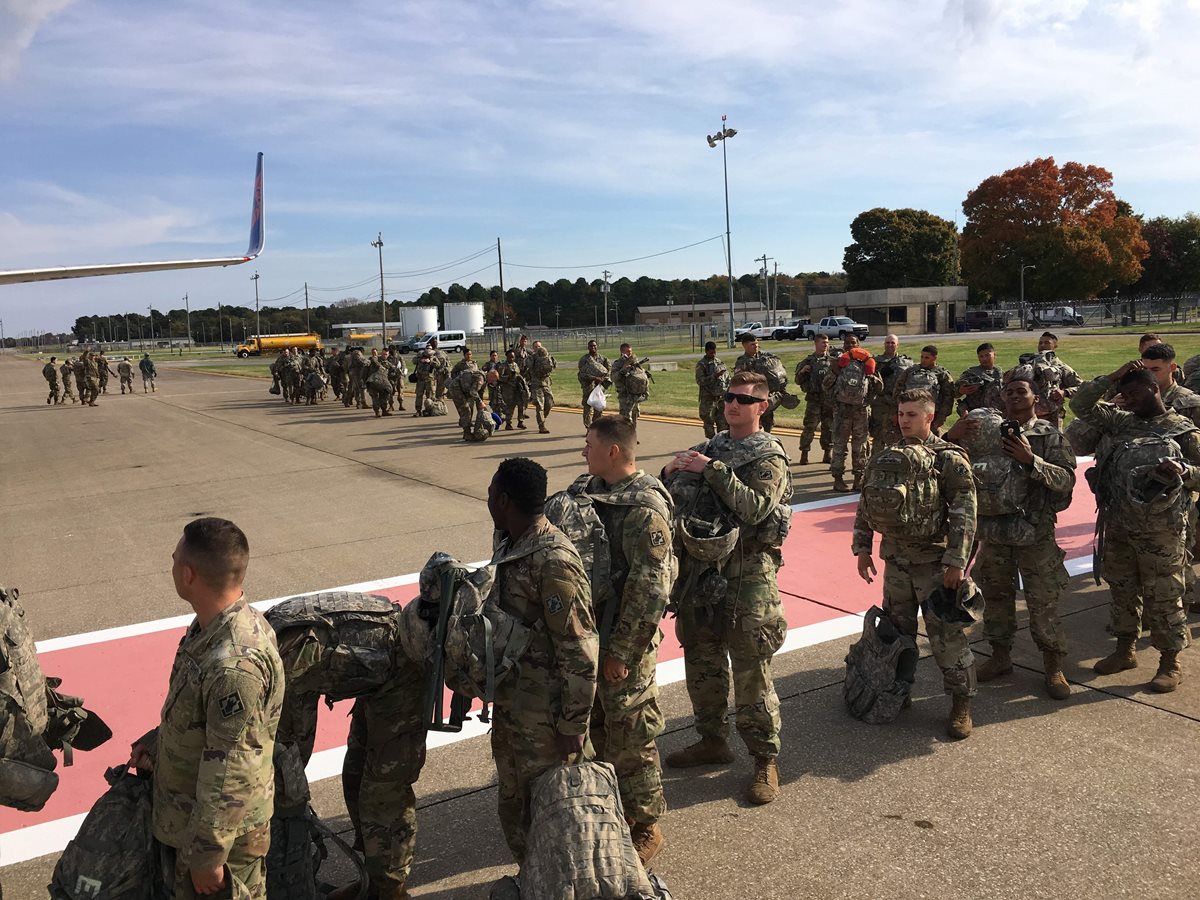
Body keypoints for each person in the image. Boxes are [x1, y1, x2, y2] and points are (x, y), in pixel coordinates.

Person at [128, 518, 284, 899]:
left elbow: (232, 766)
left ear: (188, 573)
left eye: (174, 560)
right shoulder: (210, 627)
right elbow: (201, 719)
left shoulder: (234, 663)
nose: (172, 568)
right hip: (191, 820)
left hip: (222, 839)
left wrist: (209, 857)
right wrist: (160, 745)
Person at [663, 372, 791, 805]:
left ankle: (764, 759)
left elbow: (755, 509)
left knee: (751, 670)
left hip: (748, 576)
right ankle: (711, 739)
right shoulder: (711, 444)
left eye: (742, 399)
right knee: (702, 661)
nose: (732, 405)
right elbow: (674, 483)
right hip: (702, 574)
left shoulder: (768, 456)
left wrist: (712, 471)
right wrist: (670, 469)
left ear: (763, 407)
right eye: (728, 397)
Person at [269, 594, 430, 900]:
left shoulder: (286, 664)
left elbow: (291, 757)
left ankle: (390, 891)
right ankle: (374, 881)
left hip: (402, 675)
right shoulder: (267, 635)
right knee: (354, 774)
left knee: (382, 794)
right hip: (375, 668)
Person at [572, 417, 674, 865]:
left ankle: (647, 824)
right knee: (595, 730)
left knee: (632, 736)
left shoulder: (644, 511)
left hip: (624, 645)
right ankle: (610, 809)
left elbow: (650, 590)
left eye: (589, 444)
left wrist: (621, 654)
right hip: (589, 637)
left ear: (614, 451)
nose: (583, 451)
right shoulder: (586, 491)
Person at [486, 458, 598, 865]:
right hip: (515, 705)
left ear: (503, 500)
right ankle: (533, 877)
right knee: (515, 806)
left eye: (490, 492)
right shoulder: (510, 541)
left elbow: (580, 648)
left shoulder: (553, 560)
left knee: (553, 815)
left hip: (547, 717)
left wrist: (574, 725)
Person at [852, 389, 979, 738]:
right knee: (895, 633)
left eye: (912, 414)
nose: (904, 420)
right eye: (901, 413)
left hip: (934, 564)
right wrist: (862, 547)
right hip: (896, 562)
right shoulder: (890, 456)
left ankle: (960, 703)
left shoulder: (948, 459)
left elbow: (965, 512)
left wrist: (956, 561)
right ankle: (898, 691)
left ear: (930, 416)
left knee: (945, 637)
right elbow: (867, 502)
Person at [947, 370, 1076, 700]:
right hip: (995, 536)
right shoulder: (985, 433)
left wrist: (1031, 460)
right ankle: (1000, 657)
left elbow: (1065, 481)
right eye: (1009, 392)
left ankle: (1052, 666)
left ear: (1036, 398)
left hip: (1035, 537)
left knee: (1042, 604)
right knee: (995, 602)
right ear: (1001, 399)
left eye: (1022, 391)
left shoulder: (1050, 436)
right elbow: (947, 466)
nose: (1015, 396)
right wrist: (953, 434)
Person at [1071, 364, 1200, 692]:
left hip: (1162, 531)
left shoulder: (1181, 430)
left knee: (1165, 596)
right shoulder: (1119, 421)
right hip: (1119, 526)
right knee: (1122, 590)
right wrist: (1111, 378)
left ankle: (1170, 661)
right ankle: (1124, 649)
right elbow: (1080, 405)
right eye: (1123, 395)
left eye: (1133, 393)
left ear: (1153, 388)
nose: (1127, 400)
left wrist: (1184, 472)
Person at [824, 335, 880, 492]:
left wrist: (872, 378)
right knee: (840, 446)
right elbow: (826, 385)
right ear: (843, 345)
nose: (850, 345)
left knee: (860, 447)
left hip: (861, 411)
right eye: (847, 343)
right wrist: (835, 373)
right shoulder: (838, 362)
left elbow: (878, 387)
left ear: (858, 344)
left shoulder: (867, 361)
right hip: (842, 411)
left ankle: (858, 478)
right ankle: (838, 479)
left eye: (853, 343)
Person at [1020, 332, 1081, 429]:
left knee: (1054, 443)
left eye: (1047, 343)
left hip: (1052, 418)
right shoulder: (1029, 365)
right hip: (1029, 416)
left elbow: (1082, 387)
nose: (1042, 345)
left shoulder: (1061, 367)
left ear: (1055, 346)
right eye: (1040, 343)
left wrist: (1064, 392)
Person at [732, 334, 789, 432]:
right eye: (752, 344)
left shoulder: (765, 357)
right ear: (744, 346)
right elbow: (740, 381)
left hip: (766, 397)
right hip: (752, 400)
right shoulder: (742, 362)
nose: (756, 346)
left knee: (768, 425)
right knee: (754, 427)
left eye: (757, 344)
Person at [795, 335, 836, 466]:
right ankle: (804, 453)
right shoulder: (808, 361)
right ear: (816, 344)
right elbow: (797, 380)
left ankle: (827, 453)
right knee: (809, 427)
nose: (826, 345)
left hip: (829, 401)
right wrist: (803, 372)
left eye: (827, 343)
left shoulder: (832, 361)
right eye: (823, 342)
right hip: (814, 400)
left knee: (828, 428)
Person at [894, 345, 955, 433]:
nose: (923, 360)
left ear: (934, 358)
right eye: (922, 357)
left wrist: (942, 417)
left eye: (927, 357)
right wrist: (895, 411)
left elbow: (948, 397)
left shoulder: (941, 374)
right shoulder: (910, 371)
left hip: (932, 414)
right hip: (909, 412)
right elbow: (898, 390)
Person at [870, 334, 912, 448]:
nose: (890, 345)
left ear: (897, 345)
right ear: (884, 344)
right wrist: (880, 374)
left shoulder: (906, 363)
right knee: (878, 433)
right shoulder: (875, 361)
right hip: (880, 402)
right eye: (887, 343)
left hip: (899, 403)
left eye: (892, 343)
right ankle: (875, 462)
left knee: (899, 434)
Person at [955, 343, 1004, 416]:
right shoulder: (971, 373)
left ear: (994, 355)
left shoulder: (1000, 374)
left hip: (997, 414)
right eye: (981, 356)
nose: (984, 359)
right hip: (975, 414)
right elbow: (953, 391)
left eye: (987, 355)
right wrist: (960, 391)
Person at [694, 341, 729, 439]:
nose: (713, 354)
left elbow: (727, 377)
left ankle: (721, 442)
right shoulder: (702, 364)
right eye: (711, 352)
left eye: (714, 352)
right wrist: (714, 376)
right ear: (706, 352)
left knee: (723, 422)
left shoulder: (719, 362)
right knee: (708, 420)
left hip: (721, 397)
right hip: (708, 397)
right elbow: (700, 381)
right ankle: (711, 442)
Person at [612, 344, 649, 427]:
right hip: (625, 395)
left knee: (634, 418)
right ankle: (625, 438)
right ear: (622, 352)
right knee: (625, 419)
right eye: (628, 351)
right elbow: (613, 378)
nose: (630, 353)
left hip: (635, 394)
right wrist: (623, 370)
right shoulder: (617, 364)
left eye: (631, 351)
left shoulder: (635, 362)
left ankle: (632, 437)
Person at [578, 339, 611, 430]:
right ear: (588, 347)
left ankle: (596, 427)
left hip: (599, 387)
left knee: (599, 407)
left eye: (594, 346)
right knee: (587, 407)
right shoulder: (584, 359)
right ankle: (588, 428)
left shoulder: (603, 359)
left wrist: (603, 380)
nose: (593, 347)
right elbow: (582, 373)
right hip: (588, 386)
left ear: (597, 347)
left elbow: (609, 371)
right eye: (591, 346)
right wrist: (594, 378)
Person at [528, 340, 557, 434]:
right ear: (533, 348)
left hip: (546, 383)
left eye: (539, 346)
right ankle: (542, 425)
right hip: (536, 384)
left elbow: (554, 365)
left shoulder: (547, 356)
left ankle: (542, 418)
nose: (538, 348)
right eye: (536, 347)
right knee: (539, 405)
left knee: (549, 403)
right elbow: (528, 367)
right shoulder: (531, 358)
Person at [497, 348, 528, 430]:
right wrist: (508, 377)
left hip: (517, 388)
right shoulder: (503, 366)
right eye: (510, 357)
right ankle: (508, 423)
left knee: (521, 404)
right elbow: (499, 377)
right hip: (508, 390)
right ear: (507, 357)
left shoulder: (515, 364)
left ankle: (520, 422)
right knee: (510, 407)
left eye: (513, 357)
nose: (512, 358)